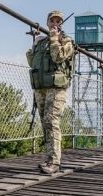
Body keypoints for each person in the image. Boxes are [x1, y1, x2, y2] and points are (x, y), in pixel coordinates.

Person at [26, 10, 75, 174]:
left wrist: (54, 39)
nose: (55, 23)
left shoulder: (66, 41)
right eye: (52, 20)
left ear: (61, 24)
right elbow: (32, 61)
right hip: (41, 87)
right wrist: (35, 44)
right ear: (47, 22)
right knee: (44, 122)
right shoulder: (41, 42)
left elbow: (58, 57)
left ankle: (54, 161)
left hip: (56, 87)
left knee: (51, 121)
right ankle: (49, 159)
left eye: (58, 21)